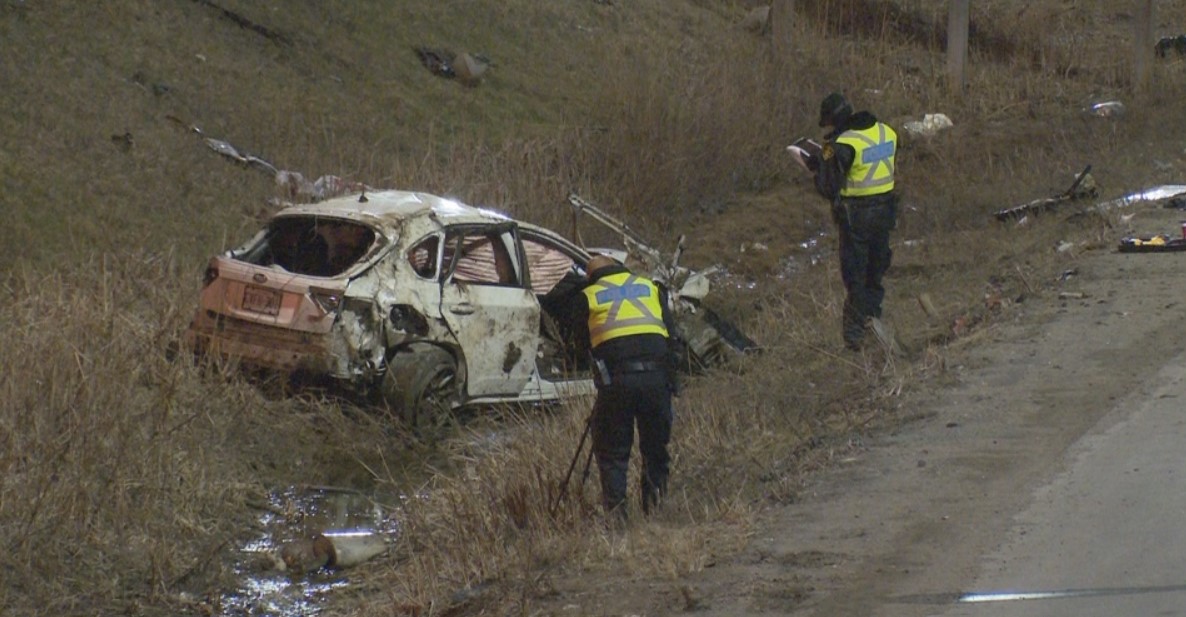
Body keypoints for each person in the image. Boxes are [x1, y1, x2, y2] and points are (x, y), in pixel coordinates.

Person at [573, 253, 678, 520]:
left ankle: (618, 520)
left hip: (617, 383)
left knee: (613, 454)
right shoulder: (651, 288)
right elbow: (672, 335)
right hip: (657, 379)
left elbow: (580, 346)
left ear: (590, 276)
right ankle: (655, 512)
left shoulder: (589, 296)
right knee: (655, 449)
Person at [812, 92, 899, 351]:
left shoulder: (840, 144)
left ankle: (855, 338)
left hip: (856, 215)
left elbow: (828, 187)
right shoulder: (886, 132)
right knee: (875, 270)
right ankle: (875, 325)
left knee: (855, 276)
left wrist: (818, 165)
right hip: (886, 211)